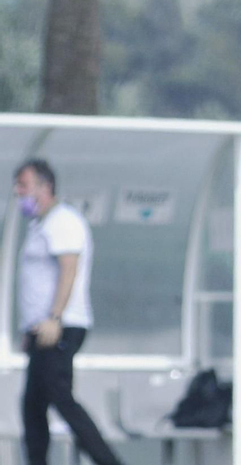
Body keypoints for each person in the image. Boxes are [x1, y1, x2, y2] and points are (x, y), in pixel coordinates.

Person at [13, 160, 124, 465]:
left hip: (60, 326)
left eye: (23, 185)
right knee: (33, 406)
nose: (18, 192)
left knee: (61, 398)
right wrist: (31, 329)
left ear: (45, 186)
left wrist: (55, 318)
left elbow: (68, 270)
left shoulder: (63, 221)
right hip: (42, 329)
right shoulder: (40, 224)